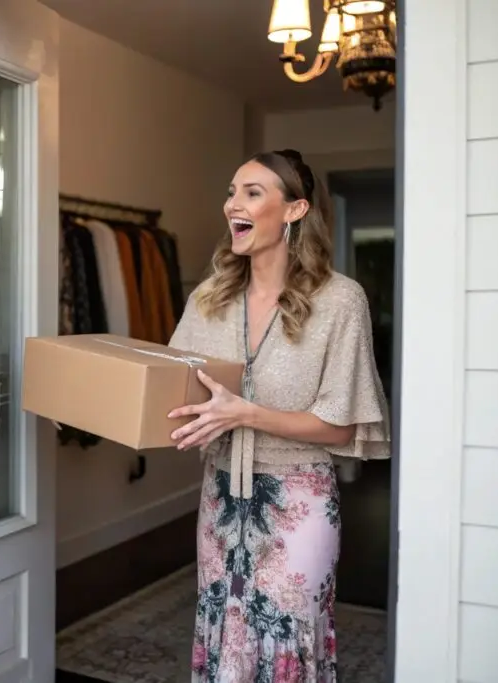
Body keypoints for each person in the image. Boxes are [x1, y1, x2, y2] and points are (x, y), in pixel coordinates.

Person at [167, 149, 389, 682]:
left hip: (299, 500)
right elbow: (169, 389)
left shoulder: (340, 302)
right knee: (223, 629)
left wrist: (248, 414)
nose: (232, 205)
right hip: (220, 499)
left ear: (294, 209)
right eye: (230, 192)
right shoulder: (208, 300)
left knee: (288, 636)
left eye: (251, 192)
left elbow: (340, 425)